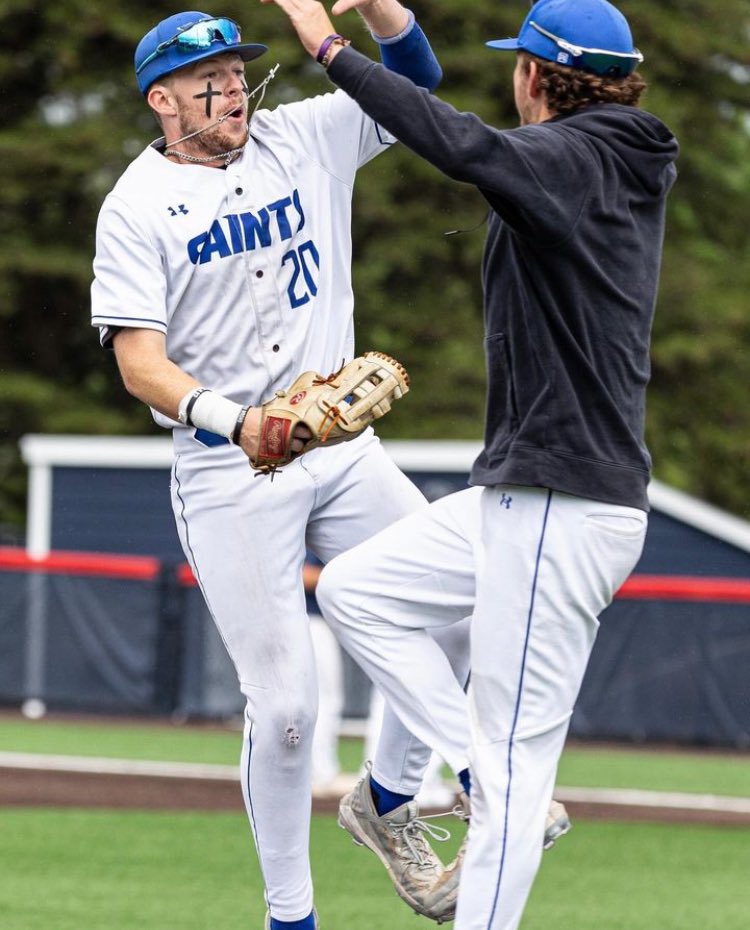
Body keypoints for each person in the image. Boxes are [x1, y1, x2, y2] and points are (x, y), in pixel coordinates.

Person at [268, 0, 679, 927]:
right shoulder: (599, 159)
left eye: (515, 65)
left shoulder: (575, 159)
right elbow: (482, 150)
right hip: (522, 494)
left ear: (534, 75)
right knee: (357, 592)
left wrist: (330, 49)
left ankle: (484, 780)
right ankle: (413, 788)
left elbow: (462, 145)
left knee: (513, 780)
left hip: (563, 504)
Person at [89, 6, 475, 929]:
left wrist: (377, 8)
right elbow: (140, 364)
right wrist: (237, 421)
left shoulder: (303, 134)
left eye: (236, 72)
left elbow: (418, 83)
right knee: (289, 709)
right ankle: (290, 917)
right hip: (228, 472)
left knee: (461, 612)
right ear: (161, 100)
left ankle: (387, 802)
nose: (232, 90)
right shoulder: (135, 206)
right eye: (208, 81)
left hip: (340, 449)